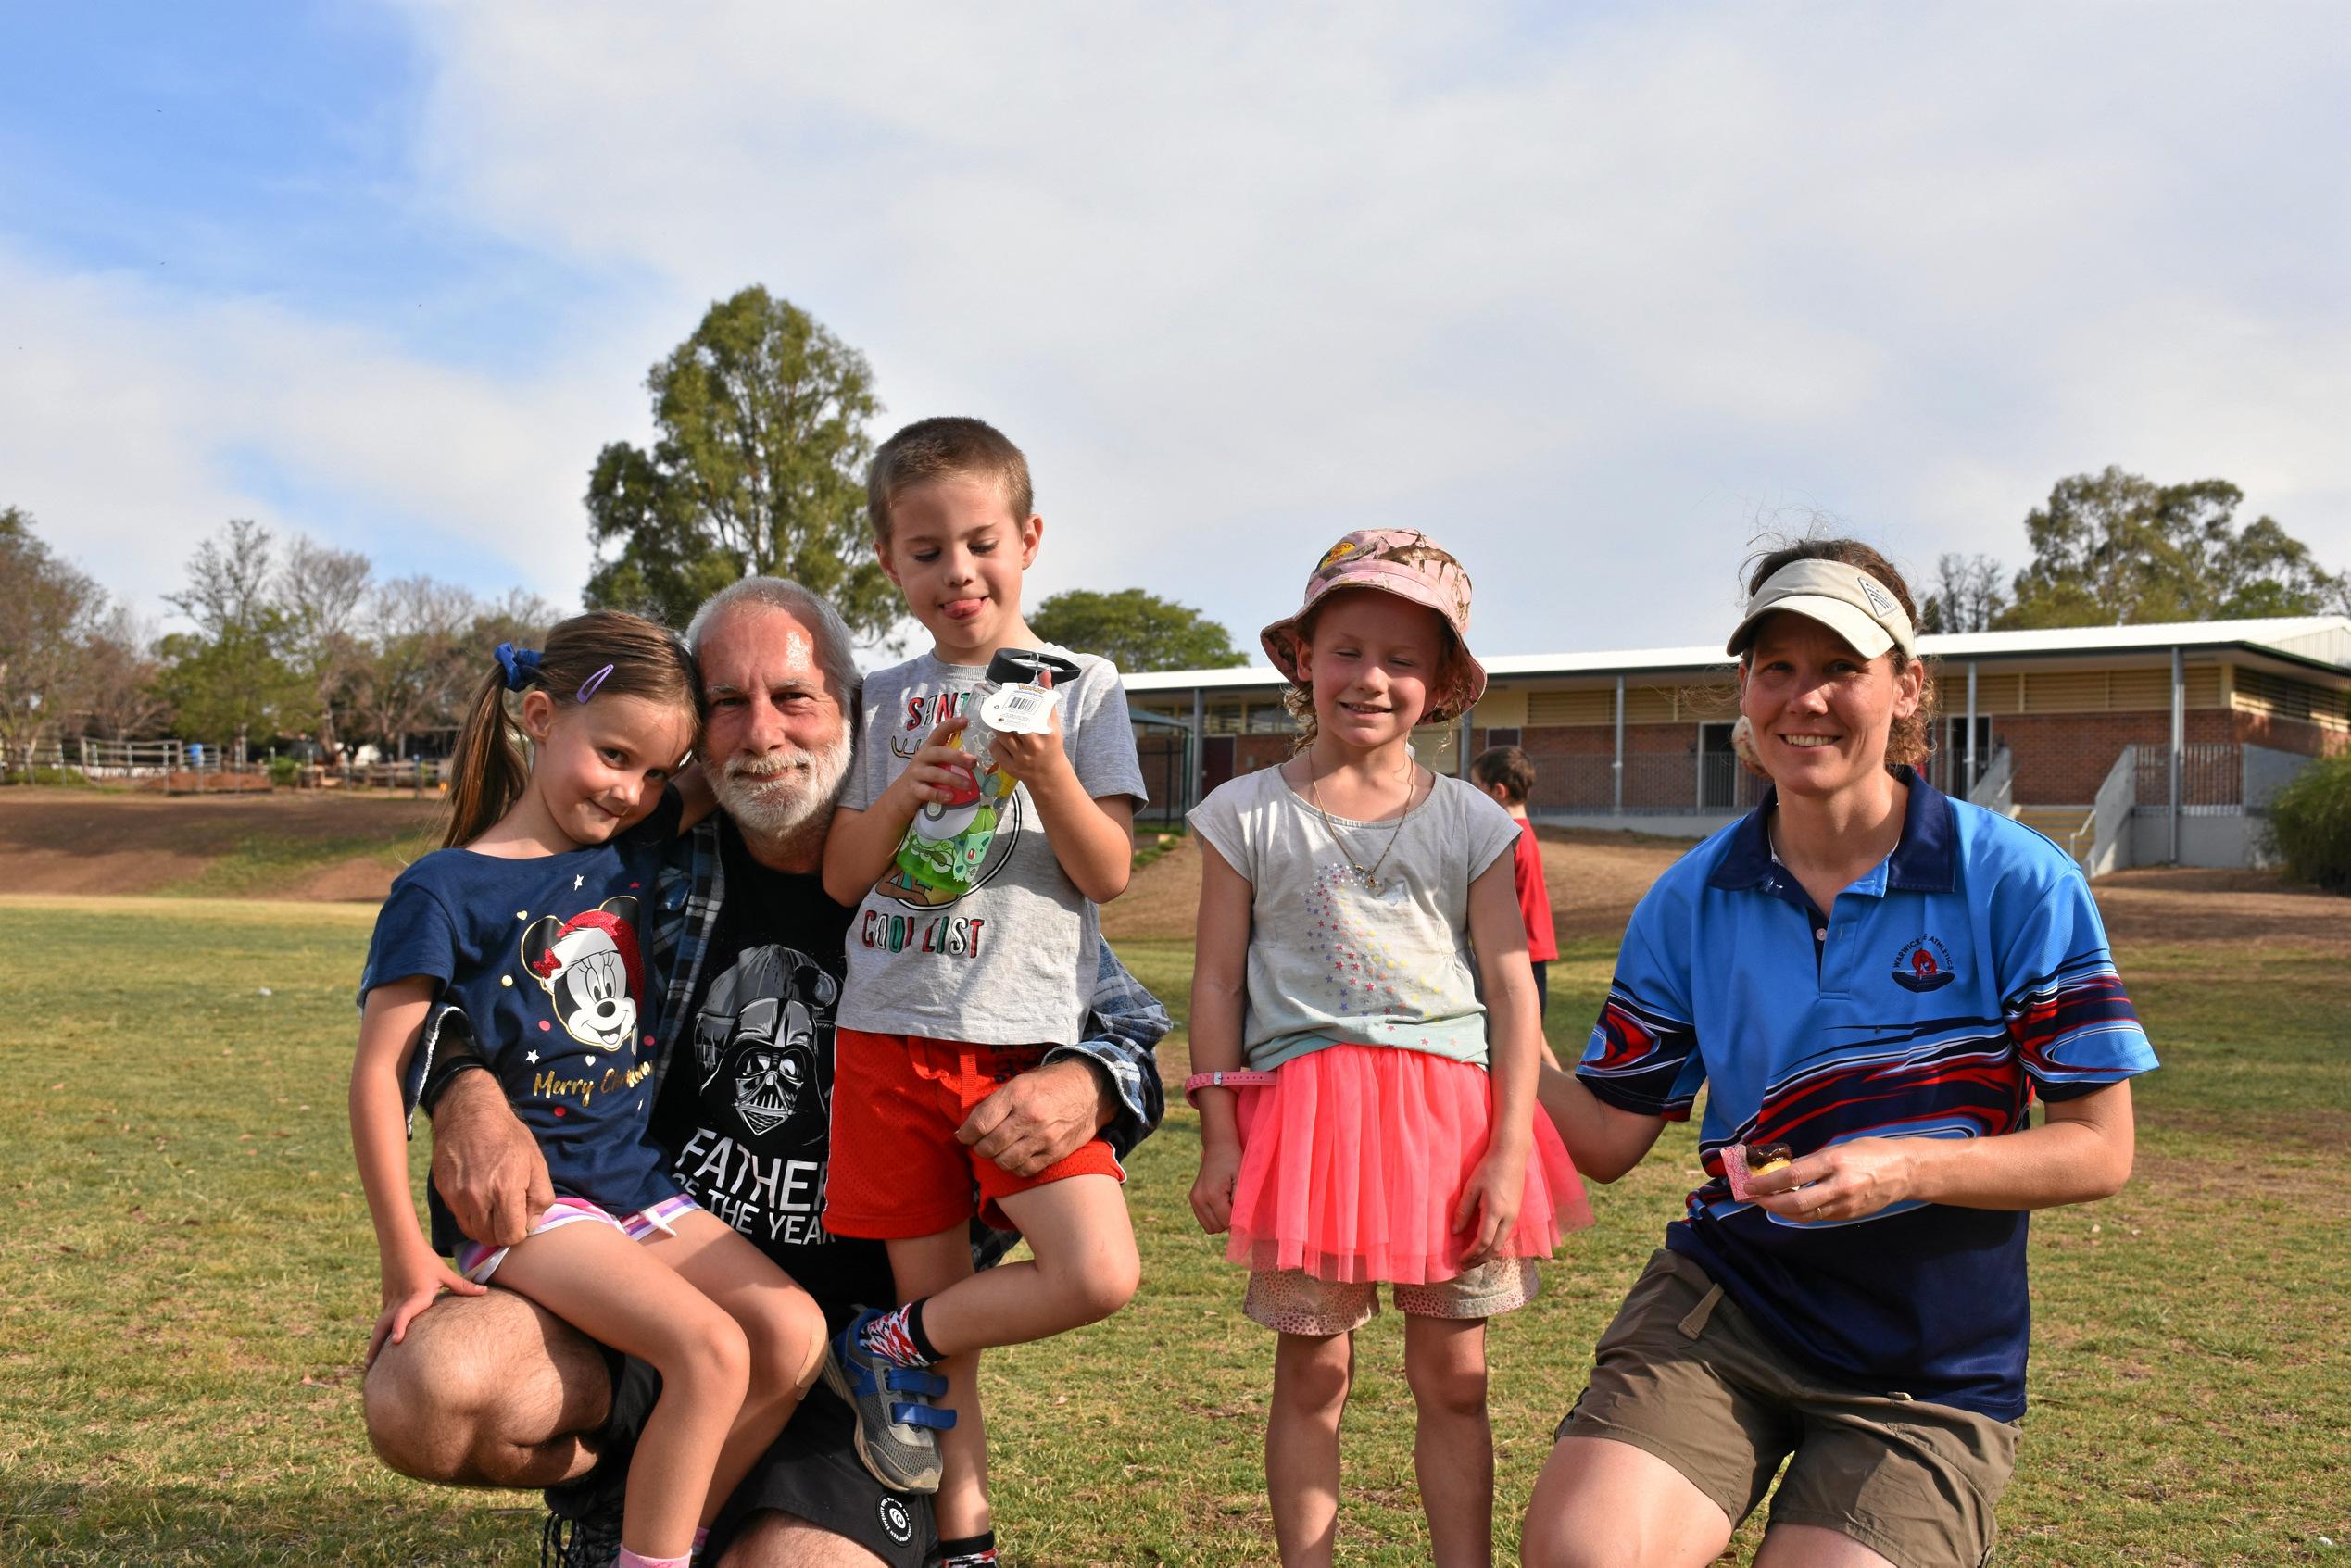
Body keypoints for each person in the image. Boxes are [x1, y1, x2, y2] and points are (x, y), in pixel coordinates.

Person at [359, 577, 1170, 1568]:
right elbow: (465, 940)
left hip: (850, 1358)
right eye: (727, 704)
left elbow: (1127, 1019)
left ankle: (721, 1520)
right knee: (431, 1390)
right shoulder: (649, 853)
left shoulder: (939, 875)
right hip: (655, 1283)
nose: (761, 732)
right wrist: (463, 1090)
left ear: (853, 711)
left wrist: (1081, 1080)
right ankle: (622, 1513)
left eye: (794, 695)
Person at [1522, 540, 2158, 1568]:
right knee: (1585, 1552)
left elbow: (2098, 1149)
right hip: (1729, 1307)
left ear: (1907, 688)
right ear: (1746, 687)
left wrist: (1904, 1166)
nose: (1803, 699)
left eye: (1840, 669)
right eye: (1777, 667)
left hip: (1928, 1363)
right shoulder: (1690, 898)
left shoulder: (2015, 882)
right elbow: (1605, 1136)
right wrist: (1482, 1025)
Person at [350, 610, 827, 1568]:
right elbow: (376, 1075)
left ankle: (661, 1532)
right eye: (612, 754)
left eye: (654, 772)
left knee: (789, 1331)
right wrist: (407, 1259)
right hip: (534, 1209)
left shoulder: (630, 840)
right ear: (537, 715)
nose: (632, 789)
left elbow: (748, 757)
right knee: (712, 1349)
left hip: (637, 1184)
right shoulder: (440, 890)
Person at [1184, 530, 1591, 1568]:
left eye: (1405, 658)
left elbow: (1509, 987)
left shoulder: (1473, 821)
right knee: (1312, 1374)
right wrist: (1221, 1134)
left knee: (1455, 1375)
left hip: (1449, 1126)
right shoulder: (1244, 815)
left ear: (1444, 683)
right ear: (1304, 660)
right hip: (1303, 1126)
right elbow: (1218, 981)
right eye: (1349, 649)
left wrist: (1509, 1149)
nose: (1372, 678)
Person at [818, 417, 1147, 1568]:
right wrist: (905, 790)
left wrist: (1049, 767)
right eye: (925, 550)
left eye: (981, 541)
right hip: (887, 1040)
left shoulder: (1086, 685)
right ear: (889, 564)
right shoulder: (881, 696)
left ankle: (883, 1338)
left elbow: (1108, 871)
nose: (958, 570)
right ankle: (964, 1538)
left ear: (1029, 538)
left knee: (1096, 1269)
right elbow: (843, 875)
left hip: (1022, 1045)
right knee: (945, 1339)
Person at [1470, 745, 1558, 1021]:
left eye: (1477, 787)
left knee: (1518, 1040)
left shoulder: (1506, 839)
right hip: (1529, 949)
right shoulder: (1523, 832)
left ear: (1498, 791)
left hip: (1517, 953)